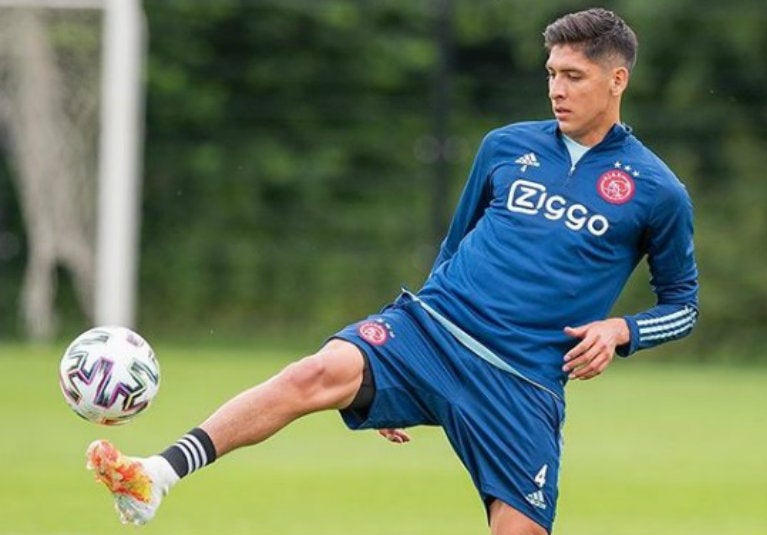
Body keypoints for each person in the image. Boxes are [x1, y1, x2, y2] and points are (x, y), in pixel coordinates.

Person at [86, 8, 698, 535]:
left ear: (617, 80)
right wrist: (397, 376)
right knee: (316, 372)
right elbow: (454, 246)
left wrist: (622, 331)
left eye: (574, 76)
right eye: (551, 75)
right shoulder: (507, 146)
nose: (557, 90)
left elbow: (684, 304)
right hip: (431, 332)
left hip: (522, 382)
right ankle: (154, 475)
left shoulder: (656, 191)